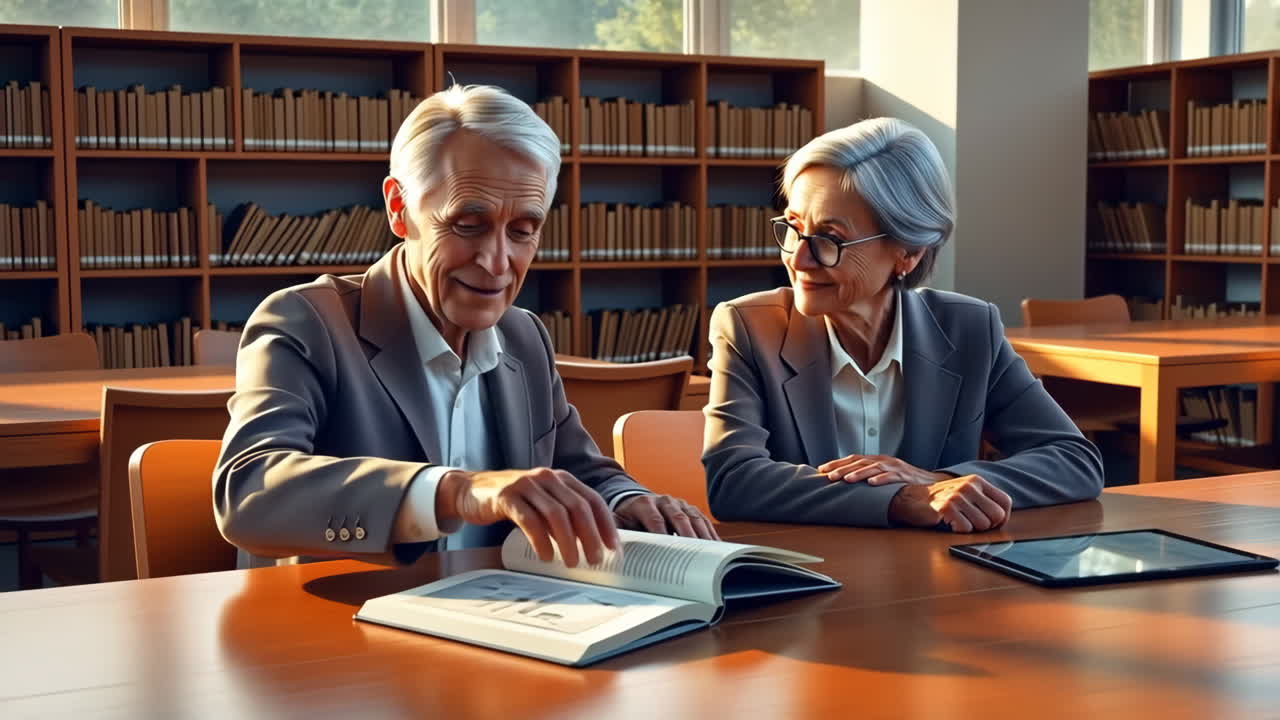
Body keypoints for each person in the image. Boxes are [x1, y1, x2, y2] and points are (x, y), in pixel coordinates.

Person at [214, 85, 717, 569]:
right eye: (467, 225)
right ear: (398, 208)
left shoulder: (524, 336)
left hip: (501, 624)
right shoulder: (305, 321)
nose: (497, 263)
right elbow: (248, 489)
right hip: (337, 637)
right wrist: (459, 491)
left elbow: (574, 470)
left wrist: (629, 498)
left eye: (523, 231)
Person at [702, 117, 1103, 533]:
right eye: (793, 228)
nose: (798, 260)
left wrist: (942, 482)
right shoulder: (748, 327)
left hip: (934, 578)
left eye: (829, 239)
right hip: (806, 573)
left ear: (908, 253)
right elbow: (734, 480)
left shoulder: (969, 328)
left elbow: (1073, 460)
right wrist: (901, 499)